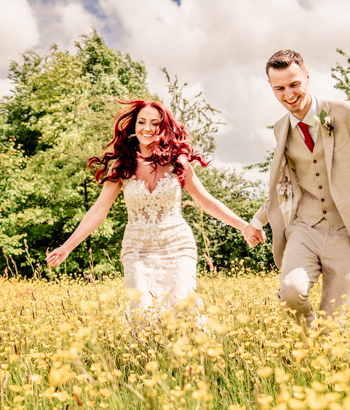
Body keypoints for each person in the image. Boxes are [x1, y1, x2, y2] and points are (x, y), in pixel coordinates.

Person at [46, 99, 251, 322]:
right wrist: (67, 247)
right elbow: (98, 211)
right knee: (144, 313)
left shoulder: (178, 162)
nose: (147, 128)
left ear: (164, 127)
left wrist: (244, 226)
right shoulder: (122, 165)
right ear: (134, 127)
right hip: (138, 251)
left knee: (182, 309)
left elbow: (206, 201)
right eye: (142, 122)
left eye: (155, 123)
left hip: (177, 247)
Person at [243, 50, 350, 330]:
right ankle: (308, 336)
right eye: (279, 88)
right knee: (291, 292)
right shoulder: (281, 129)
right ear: (271, 88)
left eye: (294, 84)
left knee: (335, 328)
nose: (288, 94)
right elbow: (285, 185)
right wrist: (257, 222)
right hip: (304, 228)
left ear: (306, 77)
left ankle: (322, 349)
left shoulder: (347, 114)